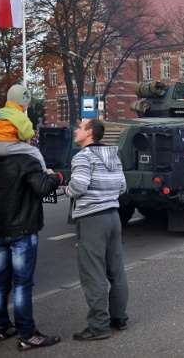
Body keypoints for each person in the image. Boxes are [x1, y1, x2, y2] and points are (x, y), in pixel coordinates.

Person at [0, 148, 62, 350]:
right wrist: (55, 176)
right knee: (23, 284)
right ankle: (27, 335)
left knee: (1, 282)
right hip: (23, 228)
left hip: (0, 228)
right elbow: (42, 188)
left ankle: (1, 327)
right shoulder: (27, 161)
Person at [65, 118, 129, 340]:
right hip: (113, 217)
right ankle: (119, 318)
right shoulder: (114, 156)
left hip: (92, 219)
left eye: (80, 127)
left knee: (93, 275)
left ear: (89, 132)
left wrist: (67, 190)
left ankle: (98, 327)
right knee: (116, 271)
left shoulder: (83, 156)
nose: (76, 130)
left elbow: (79, 186)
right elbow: (122, 187)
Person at [0, 84, 46, 171]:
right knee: (35, 152)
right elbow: (26, 135)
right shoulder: (21, 117)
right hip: (7, 146)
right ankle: (44, 172)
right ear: (24, 103)